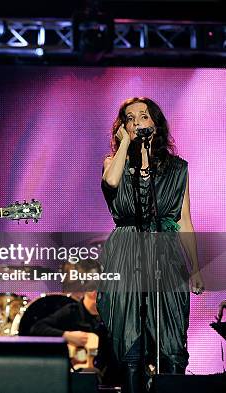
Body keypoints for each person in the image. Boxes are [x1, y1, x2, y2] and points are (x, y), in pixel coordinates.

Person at [98, 97, 204, 392]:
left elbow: (184, 220)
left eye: (143, 116)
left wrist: (195, 267)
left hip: (166, 253)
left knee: (171, 345)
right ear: (123, 127)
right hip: (126, 251)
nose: (136, 122)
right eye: (129, 118)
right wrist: (124, 145)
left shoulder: (177, 169)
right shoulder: (114, 162)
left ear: (155, 124)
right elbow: (111, 182)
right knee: (131, 346)